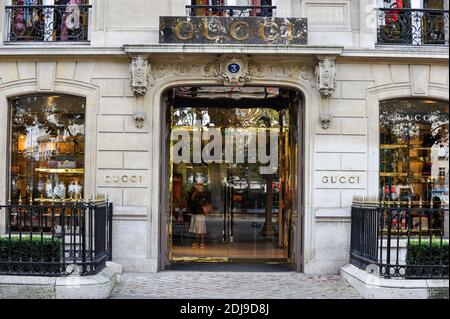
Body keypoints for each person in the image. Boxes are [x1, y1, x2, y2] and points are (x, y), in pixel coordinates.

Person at [188, 182, 209, 248]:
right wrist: (195, 191)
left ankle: (202, 241)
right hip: (195, 212)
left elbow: (204, 202)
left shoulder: (203, 194)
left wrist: (205, 210)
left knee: (201, 227)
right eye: (197, 185)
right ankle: (197, 241)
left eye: (199, 186)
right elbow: (192, 199)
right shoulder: (195, 193)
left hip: (200, 212)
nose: (198, 187)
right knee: (196, 227)